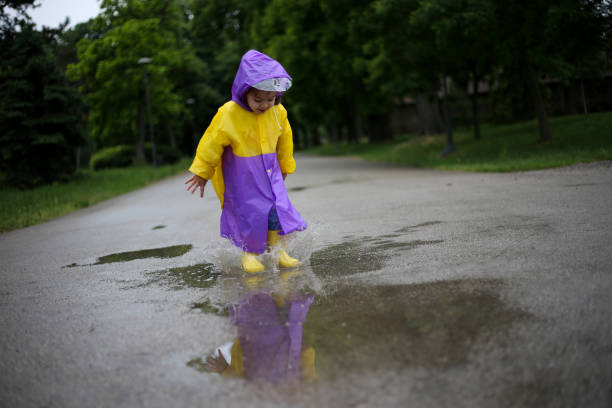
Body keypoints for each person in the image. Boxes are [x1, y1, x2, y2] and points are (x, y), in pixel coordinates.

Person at [185, 49, 307, 273]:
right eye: (257, 99)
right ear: (244, 92)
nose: (264, 104)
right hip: (243, 175)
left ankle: (279, 251)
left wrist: (285, 164)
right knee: (250, 212)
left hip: (270, 172)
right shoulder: (229, 113)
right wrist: (202, 172)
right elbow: (211, 141)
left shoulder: (278, 112)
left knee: (276, 210)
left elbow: (285, 139)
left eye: (270, 99)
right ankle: (249, 255)